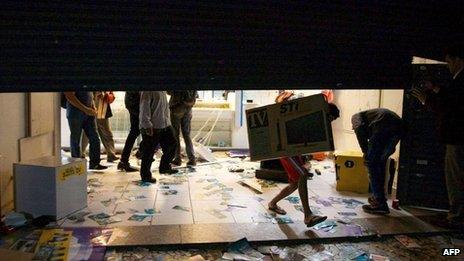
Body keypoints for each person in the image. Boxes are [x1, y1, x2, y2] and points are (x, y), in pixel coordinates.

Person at [268, 93, 340, 227]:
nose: (329, 121)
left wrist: (307, 157)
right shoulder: (306, 113)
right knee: (302, 175)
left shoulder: (315, 120)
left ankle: (272, 203)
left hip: (295, 151)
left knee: (295, 184)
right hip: (286, 149)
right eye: (330, 118)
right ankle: (308, 215)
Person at [411, 44, 464, 228]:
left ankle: (455, 217)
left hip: (457, 139)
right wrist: (435, 89)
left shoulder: (460, 81)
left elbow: (450, 108)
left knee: (455, 179)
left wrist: (428, 98)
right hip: (457, 138)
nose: (448, 65)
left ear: (457, 59)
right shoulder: (456, 82)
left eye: (449, 61)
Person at [351, 108, 403, 214]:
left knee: (372, 165)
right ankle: (379, 199)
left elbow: (360, 132)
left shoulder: (355, 118)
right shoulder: (370, 116)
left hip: (382, 127)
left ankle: (380, 202)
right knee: (380, 165)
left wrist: (365, 153)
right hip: (398, 128)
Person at [139, 91, 178, 183]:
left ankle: (165, 167)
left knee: (172, 145)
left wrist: (168, 121)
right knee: (148, 152)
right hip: (153, 126)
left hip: (165, 123)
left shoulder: (162, 90)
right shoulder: (147, 91)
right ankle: (145, 175)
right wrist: (147, 125)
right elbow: (144, 108)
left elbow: (164, 107)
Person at [64, 91, 107, 170]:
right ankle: (76, 165)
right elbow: (69, 96)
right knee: (75, 139)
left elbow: (89, 94)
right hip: (75, 113)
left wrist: (92, 105)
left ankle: (95, 163)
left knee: (95, 138)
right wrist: (85, 109)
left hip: (88, 112)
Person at [81, 91, 119, 162]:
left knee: (105, 131)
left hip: (101, 103)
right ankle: (81, 153)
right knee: (89, 130)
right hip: (94, 102)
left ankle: (111, 154)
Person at [168, 91, 198, 166]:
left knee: (175, 135)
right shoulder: (193, 81)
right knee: (187, 135)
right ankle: (192, 159)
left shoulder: (177, 80)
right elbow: (195, 96)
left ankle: (177, 158)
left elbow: (169, 91)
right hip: (188, 109)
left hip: (176, 108)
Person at [118, 91, 141, 172]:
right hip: (135, 103)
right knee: (138, 130)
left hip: (132, 102)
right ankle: (140, 152)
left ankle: (124, 160)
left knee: (135, 131)